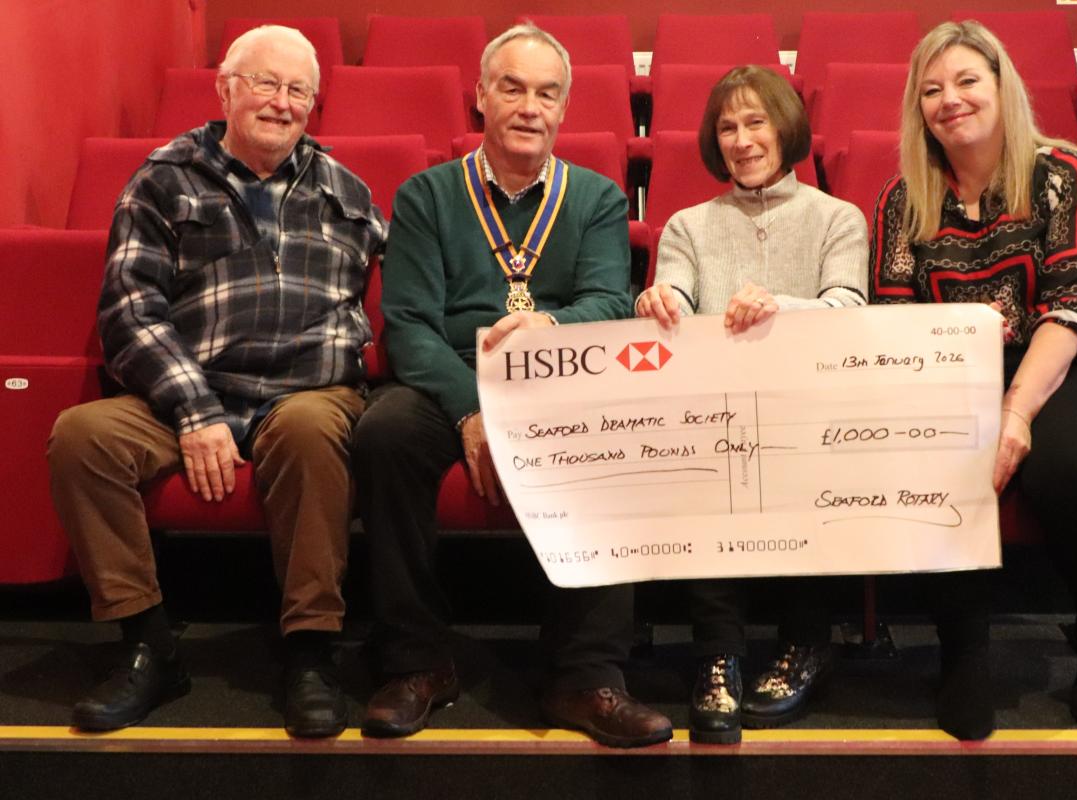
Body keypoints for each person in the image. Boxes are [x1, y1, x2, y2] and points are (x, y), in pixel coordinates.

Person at [46, 25, 386, 737]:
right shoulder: (163, 179)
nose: (281, 102)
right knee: (82, 437)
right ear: (225, 89)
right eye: (265, 83)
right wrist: (193, 407)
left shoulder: (346, 191)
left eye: (298, 90)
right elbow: (129, 311)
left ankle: (312, 649)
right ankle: (146, 642)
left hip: (309, 392)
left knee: (310, 429)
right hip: (190, 390)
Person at [350, 24, 673, 749]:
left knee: (616, 434)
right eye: (513, 88)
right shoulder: (428, 195)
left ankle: (586, 674)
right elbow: (408, 326)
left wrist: (548, 328)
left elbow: (609, 304)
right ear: (481, 97)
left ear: (564, 108)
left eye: (546, 93)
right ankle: (416, 661)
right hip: (451, 380)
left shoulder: (594, 197)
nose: (530, 106)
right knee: (384, 432)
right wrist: (471, 408)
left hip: (562, 380)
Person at [872, 21, 1077, 735]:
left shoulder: (1066, 173)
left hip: (1065, 358)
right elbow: (892, 313)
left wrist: (1017, 412)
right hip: (944, 373)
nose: (951, 100)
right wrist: (953, 347)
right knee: (935, 465)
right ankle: (962, 651)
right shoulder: (904, 198)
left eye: (967, 80)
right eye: (932, 90)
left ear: (1002, 87)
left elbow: (1068, 305)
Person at [635, 65, 868, 744]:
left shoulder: (836, 218)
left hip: (811, 405)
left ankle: (807, 645)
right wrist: (663, 301)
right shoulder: (688, 224)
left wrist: (779, 307)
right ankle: (718, 653)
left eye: (755, 122)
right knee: (712, 463)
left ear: (785, 126)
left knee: (801, 458)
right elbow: (676, 291)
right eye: (727, 127)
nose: (741, 139)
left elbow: (848, 310)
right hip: (719, 410)